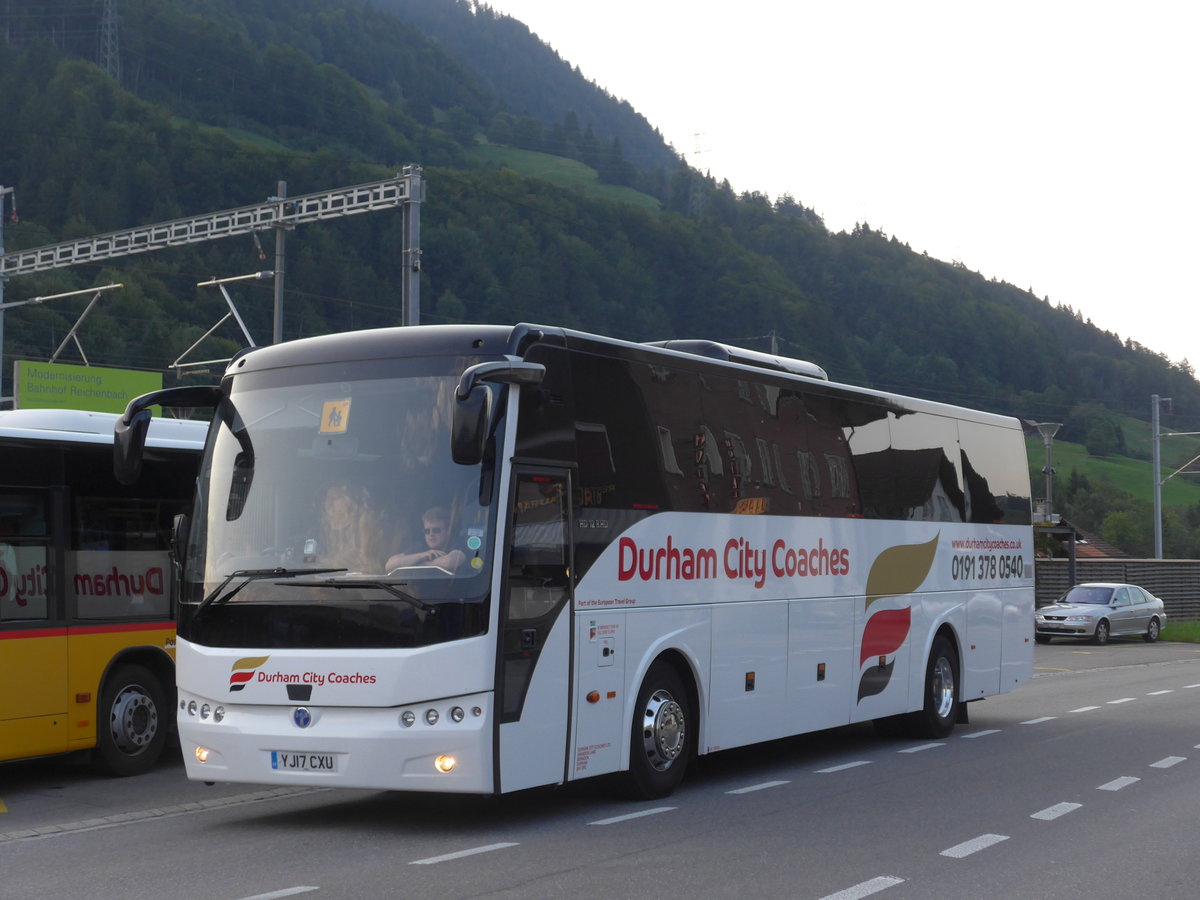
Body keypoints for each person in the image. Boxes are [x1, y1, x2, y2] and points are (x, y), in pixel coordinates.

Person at [386, 505, 465, 572]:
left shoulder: (457, 544)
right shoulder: (420, 547)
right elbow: (389, 565)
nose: (431, 534)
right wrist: (420, 556)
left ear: (448, 531)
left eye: (436, 530)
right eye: (427, 531)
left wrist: (417, 564)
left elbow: (448, 563)